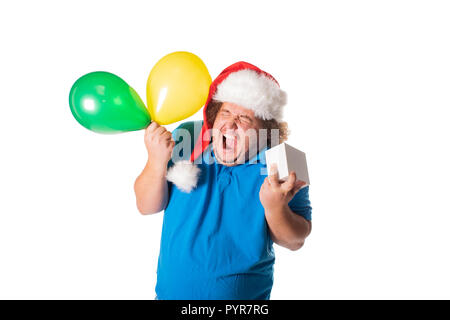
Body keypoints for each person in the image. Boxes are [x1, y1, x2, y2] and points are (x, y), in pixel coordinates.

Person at [134, 61, 312, 300]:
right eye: (225, 113)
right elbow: (146, 206)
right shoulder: (187, 138)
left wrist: (275, 206)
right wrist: (156, 161)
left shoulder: (283, 161)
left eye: (245, 118)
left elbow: (295, 241)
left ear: (264, 130)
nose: (230, 123)